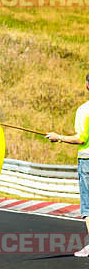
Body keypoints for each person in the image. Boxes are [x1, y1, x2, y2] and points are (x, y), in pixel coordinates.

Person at [46, 73, 89, 257]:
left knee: (88, 206)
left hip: (87, 160)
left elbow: (81, 139)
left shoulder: (84, 110)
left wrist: (59, 138)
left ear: (87, 86)